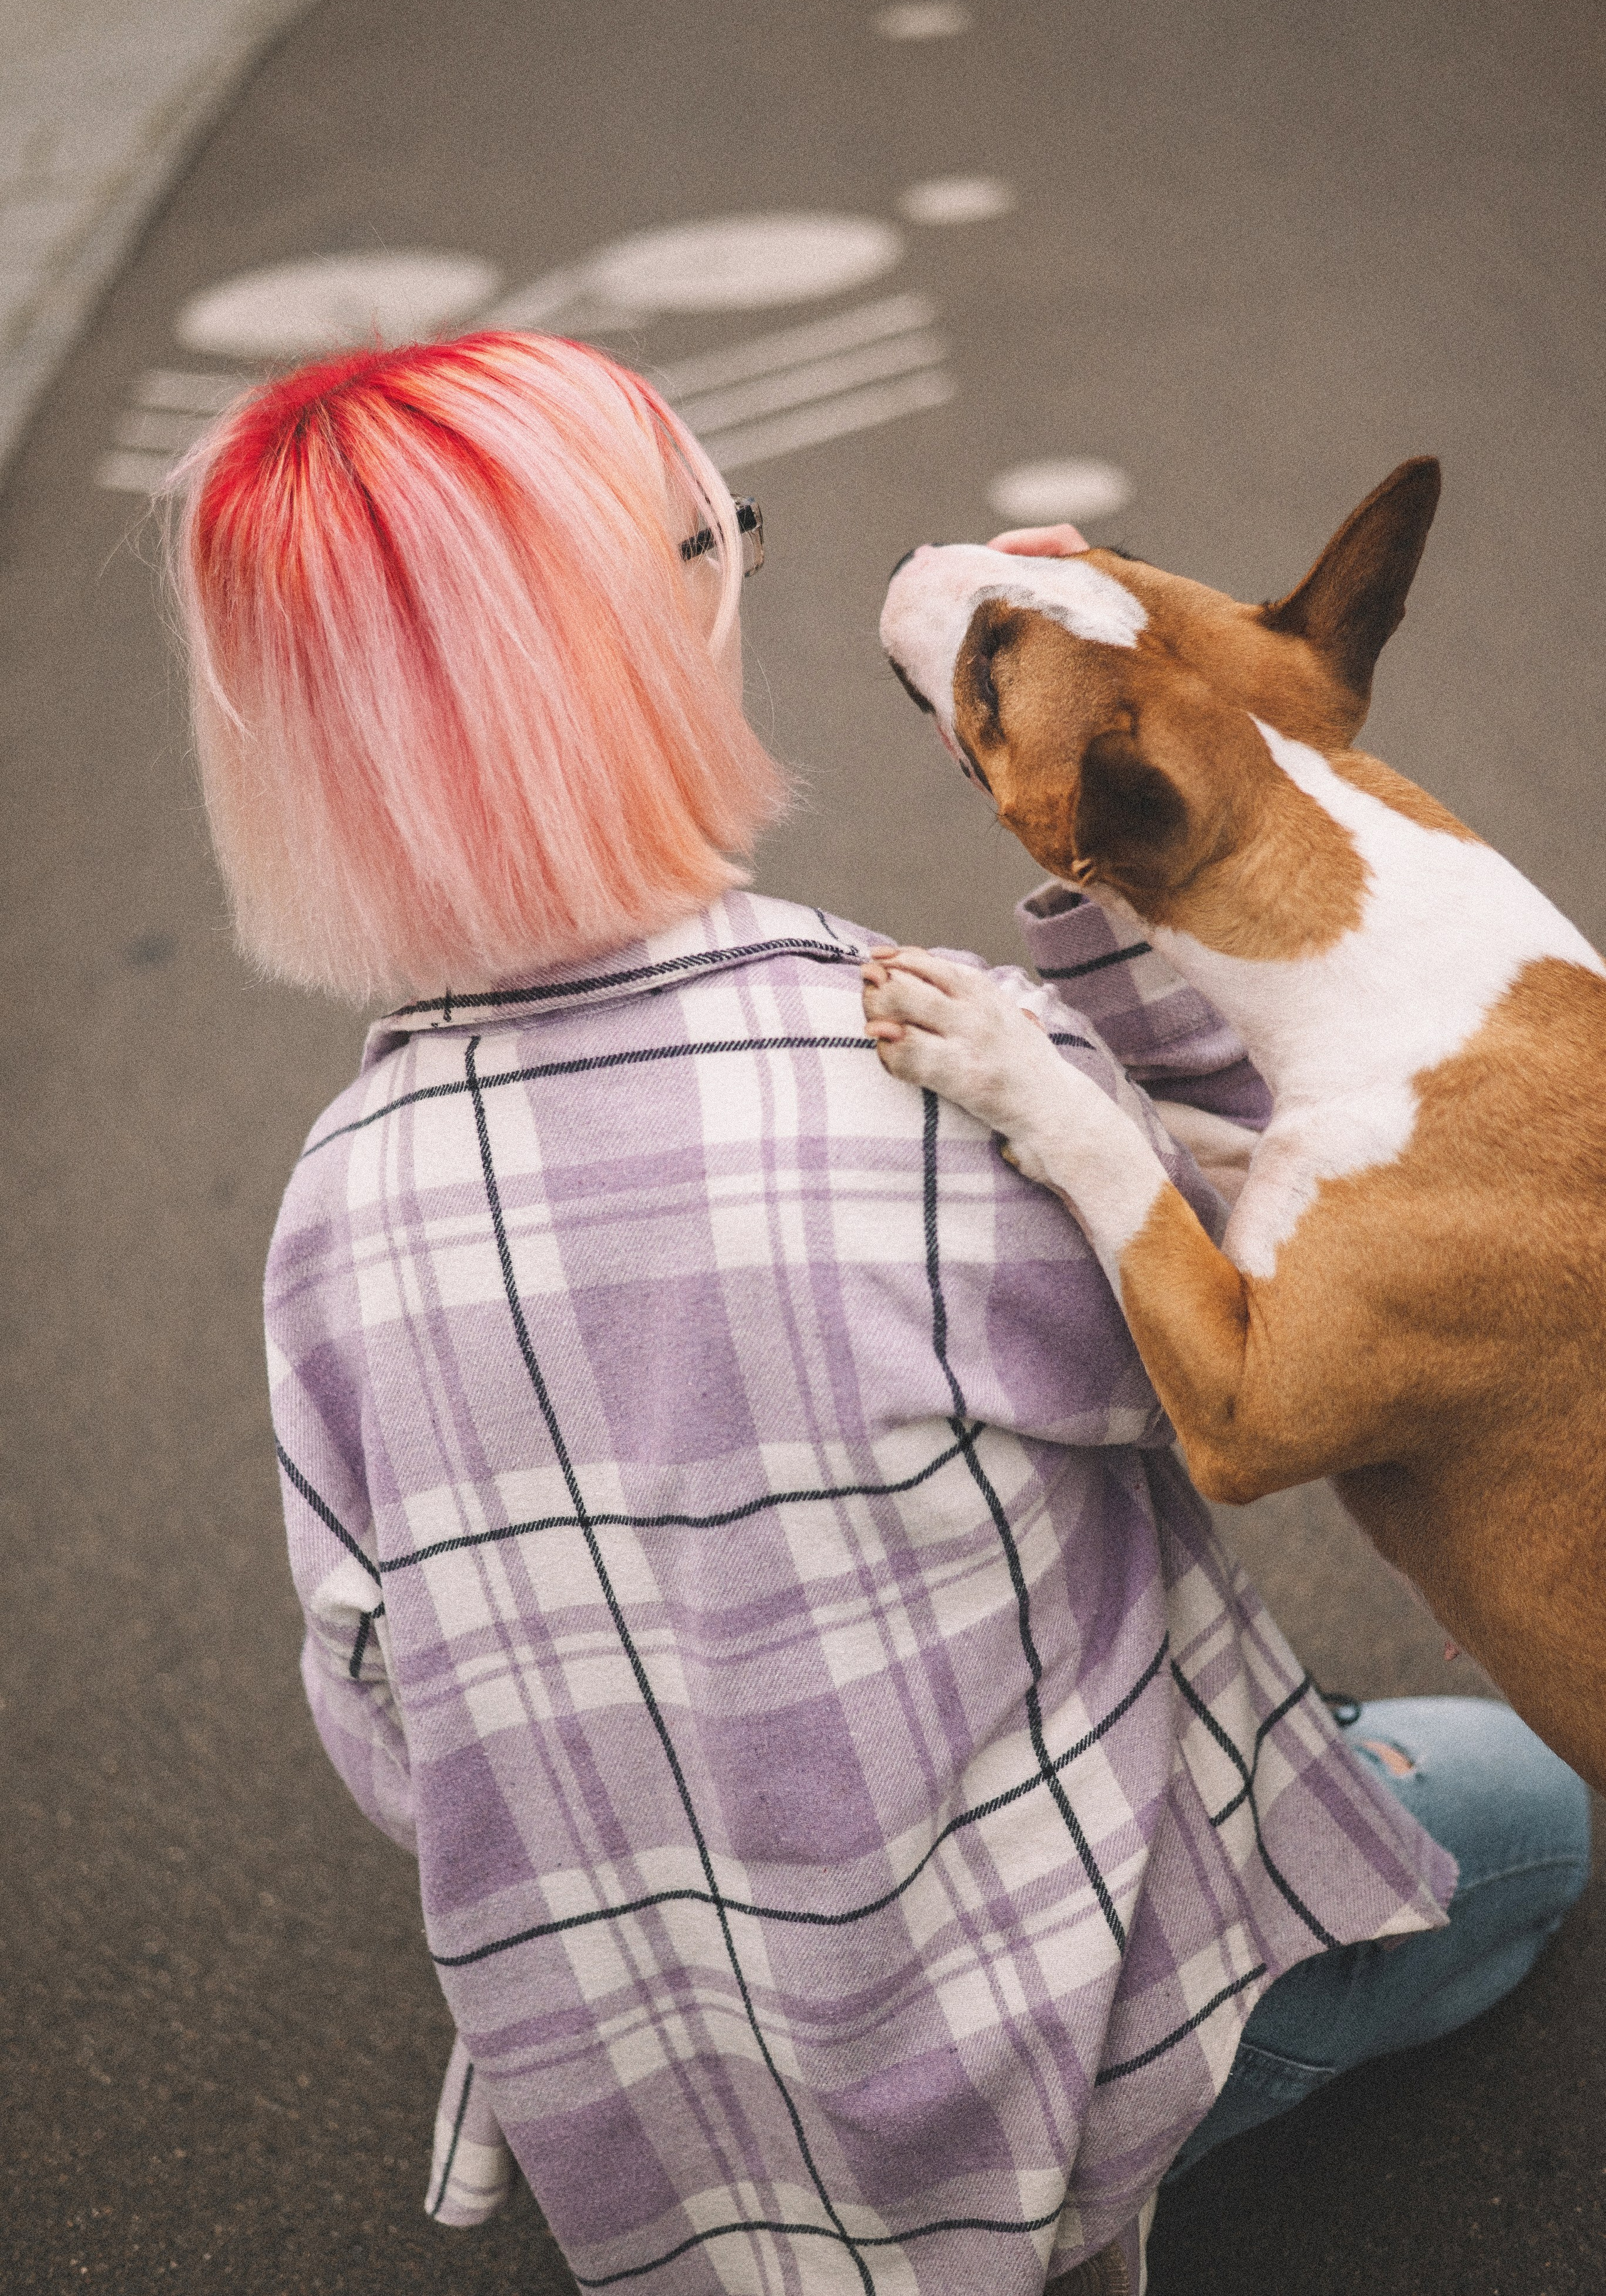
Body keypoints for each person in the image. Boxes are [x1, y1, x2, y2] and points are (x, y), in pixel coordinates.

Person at [173, 331, 1588, 2296]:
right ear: (652, 629)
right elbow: (1285, 1257)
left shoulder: (329, 1207)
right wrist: (1140, 751)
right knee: (1528, 1820)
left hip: (661, 2108)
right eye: (717, 532)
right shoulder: (916, 1052)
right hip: (1036, 2025)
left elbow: (382, 1721)